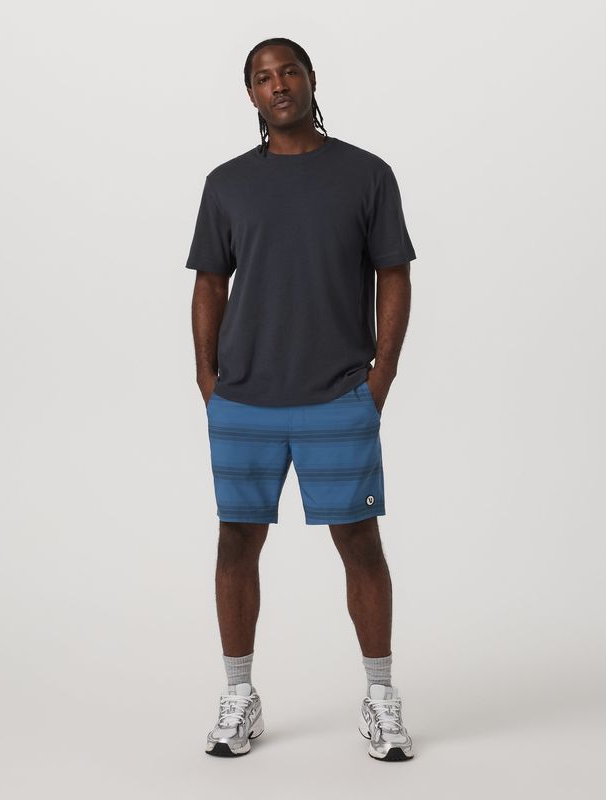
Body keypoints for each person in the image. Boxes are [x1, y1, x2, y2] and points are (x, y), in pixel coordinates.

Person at [184, 37, 417, 762]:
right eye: (263, 77)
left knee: (359, 542)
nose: (278, 84)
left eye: (289, 71)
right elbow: (209, 282)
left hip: (338, 395)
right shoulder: (227, 183)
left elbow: (394, 274)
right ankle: (238, 696)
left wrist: (380, 377)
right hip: (243, 399)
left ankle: (381, 697)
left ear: (311, 80)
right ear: (251, 94)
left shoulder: (366, 174)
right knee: (235, 541)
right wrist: (207, 379)